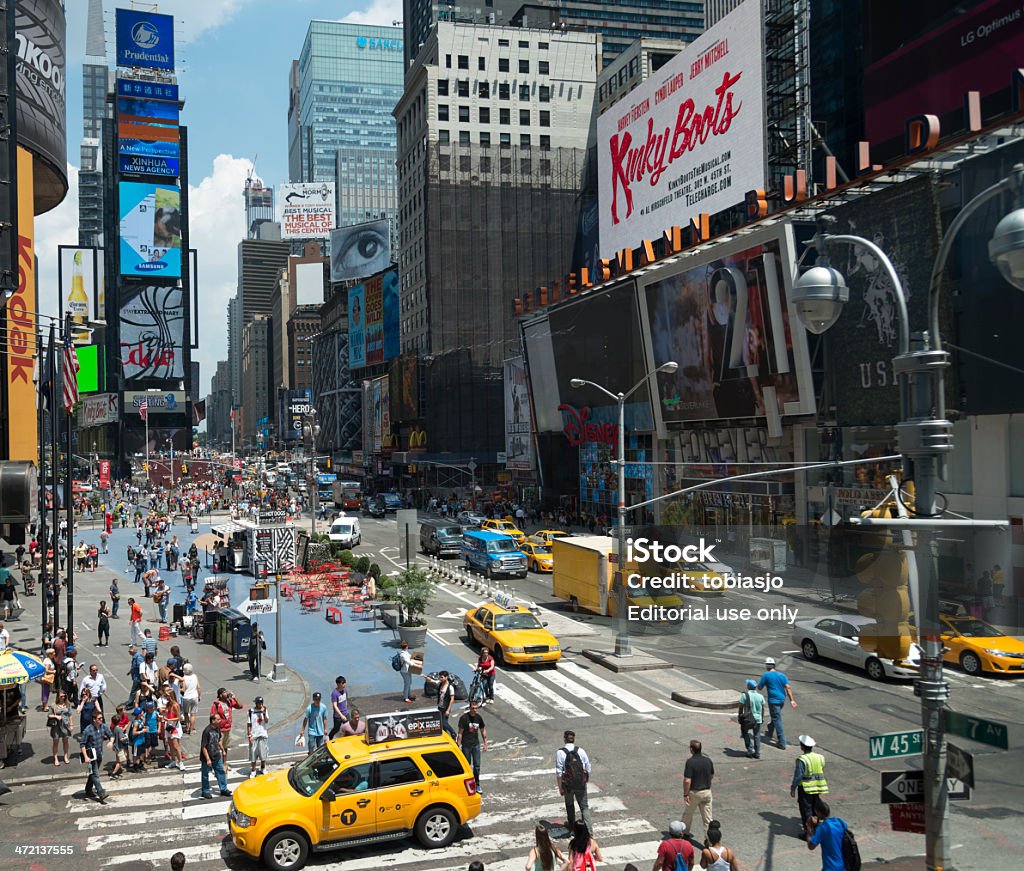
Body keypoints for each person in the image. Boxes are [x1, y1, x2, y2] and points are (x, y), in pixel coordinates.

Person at [555, 730, 592, 833]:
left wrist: (560, 787)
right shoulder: (581, 751)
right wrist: (584, 780)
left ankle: (571, 826)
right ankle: (589, 832)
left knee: (569, 804)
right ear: (574, 739)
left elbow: (559, 772)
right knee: (584, 807)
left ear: (564, 739)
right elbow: (588, 768)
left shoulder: (560, 752)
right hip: (581, 784)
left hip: (568, 784)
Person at [791, 735, 829, 835]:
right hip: (818, 787)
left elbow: (798, 776)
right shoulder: (820, 757)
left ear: (802, 746)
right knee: (815, 808)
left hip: (806, 788)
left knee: (806, 810)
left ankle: (809, 832)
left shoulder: (802, 759)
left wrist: (793, 788)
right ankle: (816, 827)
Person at [758, 657, 797, 750]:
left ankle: (782, 742)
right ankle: (770, 730)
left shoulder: (766, 675)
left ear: (767, 665)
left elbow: (759, 687)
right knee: (776, 716)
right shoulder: (782, 675)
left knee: (777, 719)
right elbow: (788, 688)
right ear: (774, 665)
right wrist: (792, 700)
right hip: (781, 700)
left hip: (773, 701)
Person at [683, 740, 715, 843]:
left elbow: (687, 780)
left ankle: (685, 833)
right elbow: (712, 774)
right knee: (708, 818)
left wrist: (686, 794)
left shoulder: (690, 762)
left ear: (692, 749)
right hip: (706, 791)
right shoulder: (708, 760)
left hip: (695, 792)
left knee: (688, 814)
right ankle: (709, 840)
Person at [79, 708, 113, 804]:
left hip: (99, 755)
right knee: (95, 774)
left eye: (101, 718)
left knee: (93, 774)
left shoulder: (103, 727)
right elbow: (82, 744)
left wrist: (111, 741)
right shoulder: (88, 730)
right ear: (94, 720)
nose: (101, 720)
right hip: (90, 756)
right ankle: (101, 793)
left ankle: (88, 790)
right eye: (99, 718)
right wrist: (86, 757)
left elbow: (111, 735)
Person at [805, 799, 848, 871]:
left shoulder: (822, 828)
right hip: (844, 865)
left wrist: (809, 828)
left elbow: (811, 846)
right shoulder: (841, 822)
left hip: (830, 867)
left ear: (817, 812)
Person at [457, 699, 487, 793]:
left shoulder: (479, 718)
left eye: (476, 708)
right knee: (467, 766)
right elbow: (460, 733)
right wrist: (458, 745)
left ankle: (477, 784)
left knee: (477, 765)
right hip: (466, 745)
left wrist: (485, 742)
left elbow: (482, 729)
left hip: (476, 745)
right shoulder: (464, 718)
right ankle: (468, 785)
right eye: (473, 708)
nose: (474, 710)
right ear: (469, 708)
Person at [200, 713, 231, 799]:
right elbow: (203, 747)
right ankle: (205, 791)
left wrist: (222, 749)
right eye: (218, 719)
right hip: (207, 757)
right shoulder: (207, 731)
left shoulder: (217, 729)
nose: (220, 721)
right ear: (213, 721)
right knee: (205, 774)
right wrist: (208, 759)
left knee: (221, 771)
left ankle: (223, 789)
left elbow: (219, 740)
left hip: (216, 755)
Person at [211, 688, 243, 761]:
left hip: (228, 729)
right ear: (221, 695)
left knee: (225, 747)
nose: (227, 693)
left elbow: (240, 706)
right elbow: (212, 717)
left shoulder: (229, 701)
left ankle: (224, 762)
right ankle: (215, 763)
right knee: (217, 747)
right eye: (225, 692)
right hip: (220, 729)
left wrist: (234, 698)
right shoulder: (216, 704)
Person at [738, 679, 764, 759]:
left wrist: (740, 716)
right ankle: (757, 753)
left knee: (744, 732)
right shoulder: (760, 696)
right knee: (756, 736)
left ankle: (750, 749)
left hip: (748, 719)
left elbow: (740, 707)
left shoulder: (744, 695)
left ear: (748, 686)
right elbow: (763, 708)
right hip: (758, 719)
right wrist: (762, 718)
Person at [48, 689, 73, 766]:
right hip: (56, 726)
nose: (63, 697)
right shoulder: (53, 705)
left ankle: (65, 756)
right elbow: (49, 715)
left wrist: (71, 725)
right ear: (58, 697)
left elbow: (70, 715)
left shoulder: (67, 704)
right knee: (56, 742)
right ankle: (56, 758)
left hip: (65, 725)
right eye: (61, 696)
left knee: (65, 741)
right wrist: (56, 716)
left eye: (64, 696)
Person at [247, 695, 269, 778]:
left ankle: (263, 768)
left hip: (262, 734)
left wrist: (263, 713)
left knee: (263, 754)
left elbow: (266, 721)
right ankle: (253, 770)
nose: (260, 705)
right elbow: (249, 724)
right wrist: (249, 735)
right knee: (253, 754)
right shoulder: (251, 711)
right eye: (258, 703)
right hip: (254, 735)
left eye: (261, 703)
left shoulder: (265, 710)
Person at [437, 671, 457, 738]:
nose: (440, 678)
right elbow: (433, 681)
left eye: (442, 677)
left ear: (446, 677)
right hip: (440, 706)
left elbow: (452, 699)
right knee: (442, 724)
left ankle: (453, 733)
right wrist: (425, 677)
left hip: (445, 707)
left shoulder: (450, 687)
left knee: (444, 722)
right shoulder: (440, 684)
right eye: (440, 677)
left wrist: (448, 710)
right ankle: (445, 736)